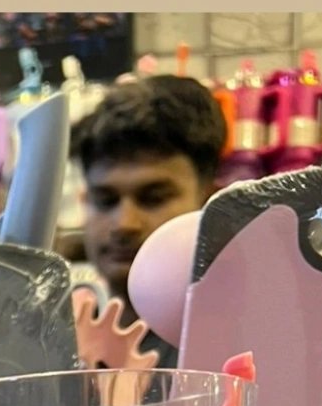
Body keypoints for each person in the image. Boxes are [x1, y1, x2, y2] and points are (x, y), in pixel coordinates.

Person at [74, 76, 228, 366]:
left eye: (153, 198)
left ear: (210, 203)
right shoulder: (56, 340)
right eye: (106, 200)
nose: (125, 224)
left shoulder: (236, 348)